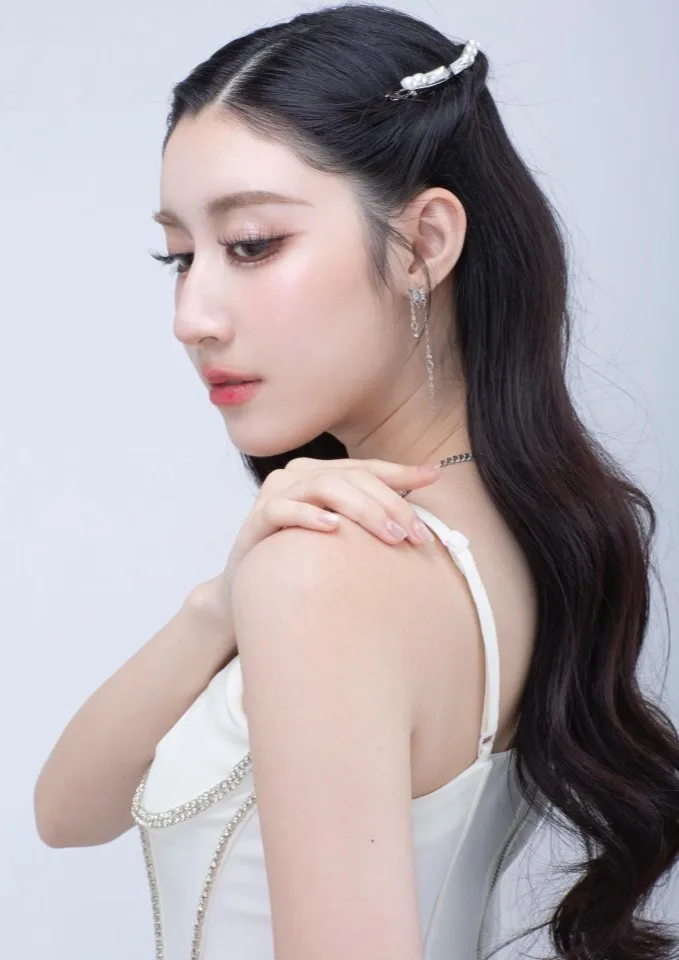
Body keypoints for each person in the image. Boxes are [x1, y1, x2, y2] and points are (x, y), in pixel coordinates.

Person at [33, 5, 679, 960]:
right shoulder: (510, 526)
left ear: (423, 243)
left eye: (251, 243)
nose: (191, 315)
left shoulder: (328, 573)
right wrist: (218, 605)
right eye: (179, 256)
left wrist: (272, 585)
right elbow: (66, 813)